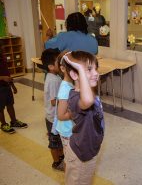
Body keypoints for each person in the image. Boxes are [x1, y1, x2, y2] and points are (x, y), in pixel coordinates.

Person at [63, 51, 104, 185]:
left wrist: (85, 73)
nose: (96, 73)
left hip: (89, 150)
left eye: (96, 68)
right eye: (89, 69)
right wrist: (81, 69)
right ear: (75, 75)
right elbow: (87, 101)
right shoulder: (75, 98)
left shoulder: (89, 93)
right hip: (80, 155)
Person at [41, 48, 64, 171]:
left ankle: (60, 157)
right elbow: (54, 101)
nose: (61, 64)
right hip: (53, 117)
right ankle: (56, 162)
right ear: (50, 66)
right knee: (54, 141)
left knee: (57, 139)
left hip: (53, 116)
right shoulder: (53, 80)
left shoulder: (54, 76)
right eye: (58, 62)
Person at [0, 52, 28, 134]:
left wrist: (12, 85)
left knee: (10, 104)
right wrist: (2, 78)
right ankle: (4, 124)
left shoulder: (3, 57)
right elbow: (4, 76)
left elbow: (7, 73)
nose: (2, 49)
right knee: (0, 108)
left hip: (6, 86)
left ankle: (14, 121)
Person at [55, 51, 74, 159]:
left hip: (71, 129)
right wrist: (76, 112)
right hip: (67, 131)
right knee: (69, 159)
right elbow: (61, 116)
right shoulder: (65, 89)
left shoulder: (71, 84)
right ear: (63, 69)